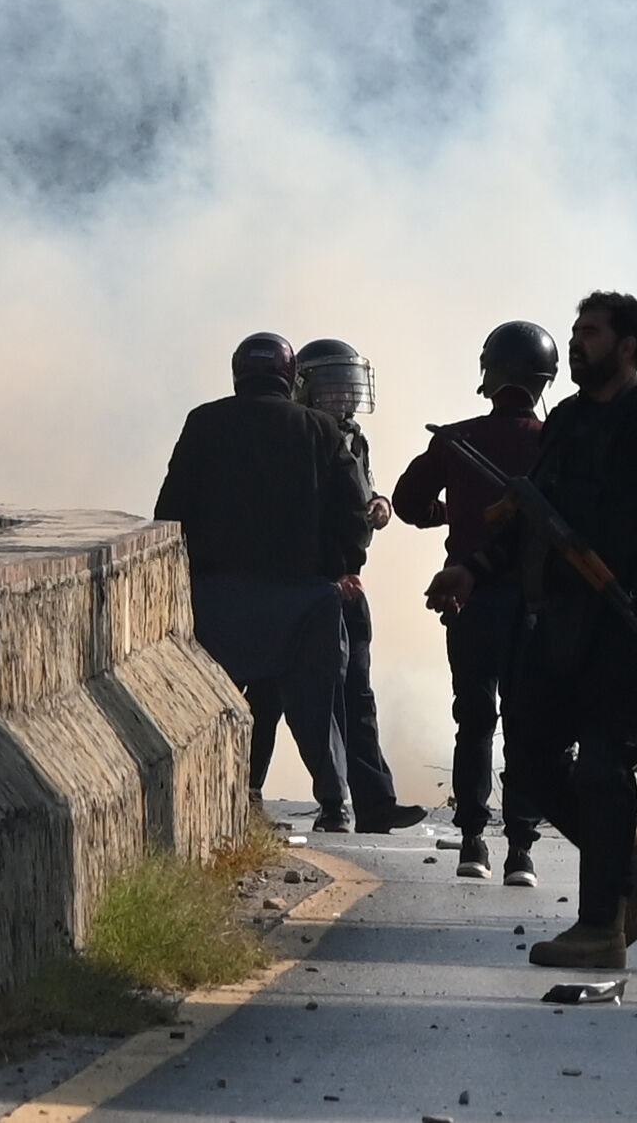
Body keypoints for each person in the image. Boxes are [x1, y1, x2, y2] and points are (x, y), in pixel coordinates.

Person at [497, 292, 637, 971]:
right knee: (534, 764)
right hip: (559, 618)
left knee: (603, 769)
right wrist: (472, 568)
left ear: (628, 345)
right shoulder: (565, 420)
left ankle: (601, 923)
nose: (576, 344)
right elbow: (534, 513)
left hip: (632, 623)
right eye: (574, 332)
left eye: (591, 334)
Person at [155, 332, 373, 831]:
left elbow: (169, 511)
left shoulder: (204, 422)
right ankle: (335, 806)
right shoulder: (320, 428)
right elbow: (353, 513)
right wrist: (346, 570)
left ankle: (228, 803)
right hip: (304, 600)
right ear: (290, 377)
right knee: (317, 708)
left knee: (220, 703)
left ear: (238, 375)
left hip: (219, 597)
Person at [393, 320, 559, 883]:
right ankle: (522, 850)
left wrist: (451, 517)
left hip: (469, 597)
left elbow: (407, 501)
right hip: (539, 604)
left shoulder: (456, 439)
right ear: (546, 380)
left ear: (489, 375)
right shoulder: (556, 444)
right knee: (527, 724)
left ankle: (471, 843)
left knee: (474, 718)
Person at [293, 337, 429, 834]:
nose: (343, 397)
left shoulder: (355, 437)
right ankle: (333, 803)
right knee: (320, 694)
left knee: (358, 693)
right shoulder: (301, 435)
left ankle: (375, 801)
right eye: (330, 387)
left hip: (351, 579)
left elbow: (359, 493)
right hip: (319, 581)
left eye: (347, 386)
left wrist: (381, 505)